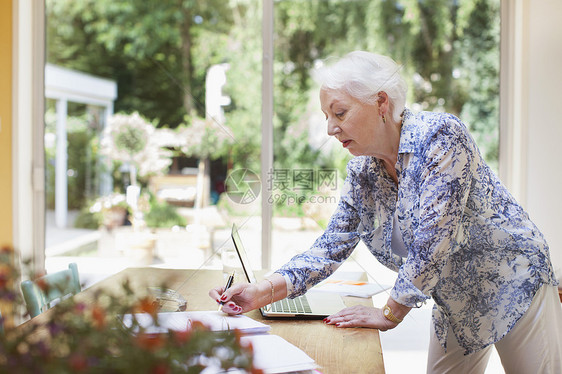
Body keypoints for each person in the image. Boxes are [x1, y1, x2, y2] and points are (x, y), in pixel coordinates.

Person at [209, 51, 562, 373]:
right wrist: (263, 291)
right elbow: (329, 246)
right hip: (454, 299)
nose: (330, 128)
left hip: (515, 280)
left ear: (380, 102)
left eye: (340, 112)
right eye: (327, 116)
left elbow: (432, 245)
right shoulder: (363, 172)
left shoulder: (440, 137)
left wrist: (390, 313)